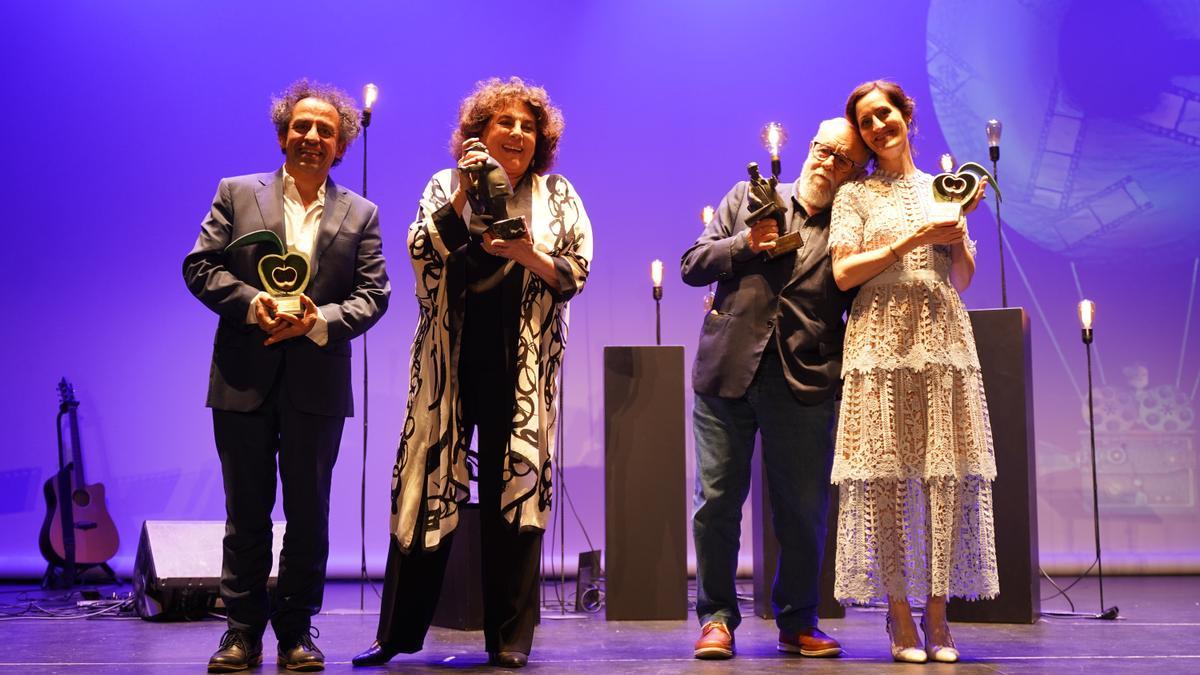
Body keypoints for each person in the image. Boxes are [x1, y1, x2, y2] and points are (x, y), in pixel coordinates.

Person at [353, 77, 592, 669]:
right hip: (448, 364)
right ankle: (399, 634)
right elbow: (420, 249)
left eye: (527, 125)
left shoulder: (558, 195)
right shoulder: (443, 185)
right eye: (503, 122)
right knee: (425, 488)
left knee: (517, 495)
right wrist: (463, 192)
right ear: (478, 134)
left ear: (541, 140)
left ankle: (509, 640)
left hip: (523, 368)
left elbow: (575, 272)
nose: (516, 132)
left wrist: (526, 253)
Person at [183, 79, 390, 672]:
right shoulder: (235, 193)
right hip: (243, 379)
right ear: (282, 135)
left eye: (326, 130)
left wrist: (317, 321)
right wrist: (255, 304)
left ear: (340, 146)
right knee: (245, 513)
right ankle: (240, 634)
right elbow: (200, 266)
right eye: (302, 126)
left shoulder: (363, 213)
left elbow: (374, 296)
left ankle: (297, 633)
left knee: (309, 516)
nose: (313, 137)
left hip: (317, 385)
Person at [680, 117, 869, 660]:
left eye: (842, 158)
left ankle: (798, 619)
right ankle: (716, 618)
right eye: (821, 149)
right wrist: (745, 244)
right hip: (726, 374)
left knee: (803, 510)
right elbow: (693, 264)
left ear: (855, 173)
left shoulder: (850, 227)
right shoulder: (747, 197)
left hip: (805, 378)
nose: (826, 162)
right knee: (715, 503)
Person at [829, 79, 998, 664]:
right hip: (878, 338)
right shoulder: (855, 196)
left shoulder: (941, 187)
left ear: (906, 118)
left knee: (942, 474)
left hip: (941, 337)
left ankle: (938, 615)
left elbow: (964, 279)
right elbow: (845, 274)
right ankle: (899, 616)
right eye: (867, 121)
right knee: (885, 478)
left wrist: (957, 233)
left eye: (887, 114)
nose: (879, 127)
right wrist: (915, 237)